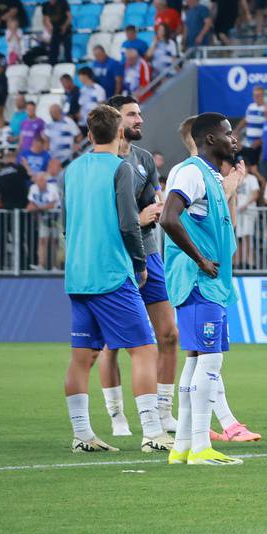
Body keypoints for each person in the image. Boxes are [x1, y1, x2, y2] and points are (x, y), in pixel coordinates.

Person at [61, 104, 159, 454]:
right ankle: (153, 433)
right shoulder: (121, 169)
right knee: (145, 350)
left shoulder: (70, 170)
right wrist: (139, 263)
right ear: (120, 133)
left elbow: (65, 225)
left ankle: (82, 434)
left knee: (82, 356)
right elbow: (128, 223)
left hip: (77, 275)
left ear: (89, 135)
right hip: (111, 273)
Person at [159, 112, 246, 466]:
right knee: (211, 359)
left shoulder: (209, 176)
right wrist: (199, 260)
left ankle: (182, 447)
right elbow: (168, 217)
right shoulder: (192, 172)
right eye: (228, 134)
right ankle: (200, 447)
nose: (234, 140)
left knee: (197, 358)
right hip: (198, 280)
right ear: (210, 139)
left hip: (211, 282)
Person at [92, 94, 178, 442]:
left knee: (169, 334)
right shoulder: (98, 164)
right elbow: (98, 217)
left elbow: (155, 202)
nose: (139, 119)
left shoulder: (143, 159)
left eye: (140, 113)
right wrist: (137, 218)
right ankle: (116, 416)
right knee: (114, 343)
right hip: (116, 258)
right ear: (115, 120)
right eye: (132, 114)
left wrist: (154, 209)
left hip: (150, 255)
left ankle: (163, 411)